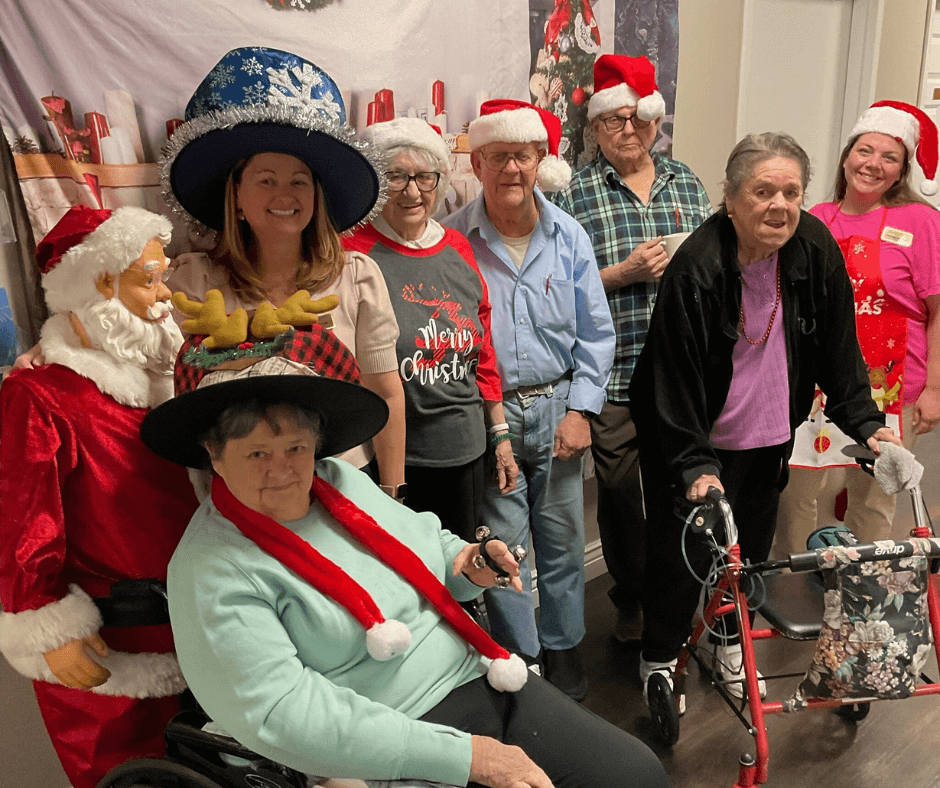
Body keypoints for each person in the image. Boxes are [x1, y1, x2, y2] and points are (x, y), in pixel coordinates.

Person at [141, 321, 669, 788]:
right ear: (214, 454)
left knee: (636, 774)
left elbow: (425, 547)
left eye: (296, 449)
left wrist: (470, 562)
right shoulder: (209, 567)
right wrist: (468, 758)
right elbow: (286, 713)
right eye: (257, 453)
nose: (282, 470)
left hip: (476, 675)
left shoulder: (340, 480)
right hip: (380, 743)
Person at [627, 132, 902, 710]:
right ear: (730, 197)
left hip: (768, 432)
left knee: (749, 552)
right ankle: (659, 657)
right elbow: (670, 383)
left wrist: (867, 423)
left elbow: (837, 347)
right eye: (762, 191)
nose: (779, 205)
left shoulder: (812, 247)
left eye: (791, 192)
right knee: (682, 558)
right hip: (691, 438)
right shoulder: (696, 269)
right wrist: (694, 463)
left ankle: (731, 643)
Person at [0, 206, 199, 788]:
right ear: (99, 284)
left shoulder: (172, 380)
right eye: (149, 279)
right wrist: (45, 627)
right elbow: (20, 520)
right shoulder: (41, 396)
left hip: (199, 631)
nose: (165, 295)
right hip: (110, 649)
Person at [162, 46, 406, 498]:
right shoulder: (192, 283)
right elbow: (154, 377)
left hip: (347, 488)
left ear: (317, 195)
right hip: (243, 499)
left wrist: (393, 493)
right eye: (266, 179)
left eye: (299, 180)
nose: (285, 193)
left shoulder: (356, 277)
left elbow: (386, 393)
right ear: (235, 194)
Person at [444, 100, 616, 701]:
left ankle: (564, 650)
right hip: (490, 413)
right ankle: (524, 659)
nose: (510, 169)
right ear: (478, 163)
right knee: (505, 543)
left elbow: (596, 331)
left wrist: (581, 410)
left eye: (521, 156)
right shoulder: (454, 241)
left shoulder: (568, 236)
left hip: (558, 405)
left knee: (563, 540)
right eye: (497, 157)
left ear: (540, 160)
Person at [553, 54, 712, 644]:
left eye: (637, 118)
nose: (627, 130)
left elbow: (714, 262)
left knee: (682, 488)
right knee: (619, 494)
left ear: (654, 122)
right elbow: (558, 285)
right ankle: (630, 597)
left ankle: (678, 597)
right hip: (612, 371)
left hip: (682, 371)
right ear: (594, 128)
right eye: (613, 120)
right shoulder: (574, 193)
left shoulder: (686, 181)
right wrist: (620, 273)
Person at [775, 101, 940, 555]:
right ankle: (796, 592)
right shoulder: (814, 219)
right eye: (865, 151)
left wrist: (935, 390)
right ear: (847, 156)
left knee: (873, 500)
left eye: (890, 158)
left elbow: (939, 310)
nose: (873, 165)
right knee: (797, 495)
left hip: (892, 386)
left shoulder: (922, 222)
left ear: (902, 170)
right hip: (812, 385)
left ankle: (861, 602)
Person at [344, 117, 518, 541]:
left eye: (424, 177)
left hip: (464, 451)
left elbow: (482, 349)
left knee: (461, 573)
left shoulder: (456, 246)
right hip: (394, 458)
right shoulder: (353, 254)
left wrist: (500, 434)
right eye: (396, 177)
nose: (412, 191)